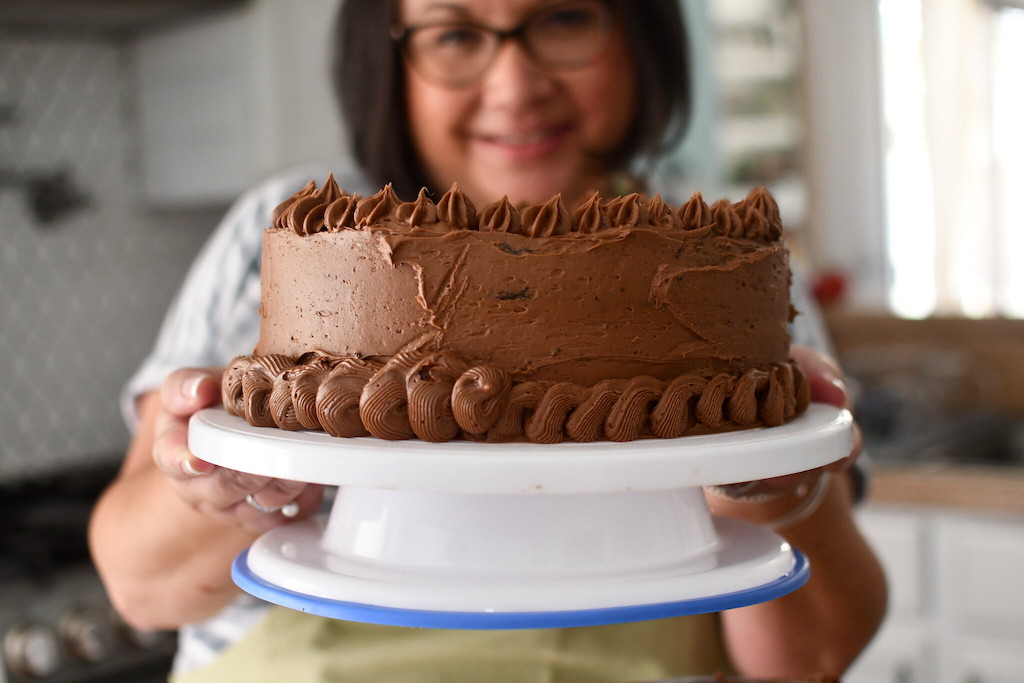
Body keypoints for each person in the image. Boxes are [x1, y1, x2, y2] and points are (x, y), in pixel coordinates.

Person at [89, 0, 887, 680]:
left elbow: (810, 656)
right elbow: (138, 586)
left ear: (641, 31)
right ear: (388, 58)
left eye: (565, 17)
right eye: (456, 34)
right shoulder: (298, 233)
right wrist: (233, 484)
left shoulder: (726, 265)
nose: (516, 86)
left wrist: (761, 472)